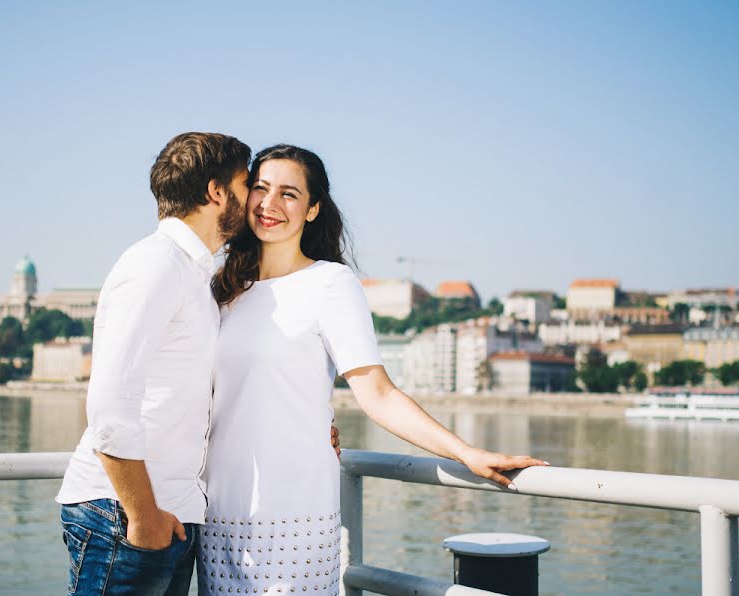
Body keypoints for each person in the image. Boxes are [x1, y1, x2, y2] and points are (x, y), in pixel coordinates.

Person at [200, 144, 547, 595]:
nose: (269, 204)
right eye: (261, 189)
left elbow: (377, 394)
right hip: (219, 511)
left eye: (289, 194)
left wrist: (466, 453)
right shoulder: (225, 289)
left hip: (292, 510)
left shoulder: (330, 284)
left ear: (312, 209)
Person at [56, 132, 252, 596]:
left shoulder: (192, 274)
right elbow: (108, 405)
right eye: (247, 185)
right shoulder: (156, 263)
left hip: (171, 515)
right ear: (216, 192)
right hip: (126, 516)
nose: (254, 198)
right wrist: (143, 516)